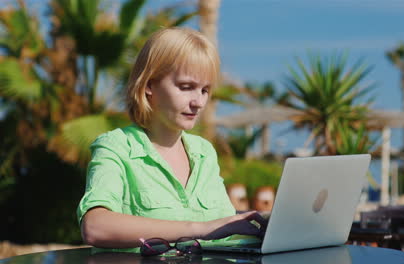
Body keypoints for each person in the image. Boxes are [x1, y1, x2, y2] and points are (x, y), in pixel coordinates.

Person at [76, 27, 266, 253]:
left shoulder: (204, 151)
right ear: (148, 85)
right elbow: (95, 227)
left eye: (205, 90)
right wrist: (200, 228)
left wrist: (261, 227)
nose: (198, 102)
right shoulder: (116, 146)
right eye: (186, 87)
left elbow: (220, 228)